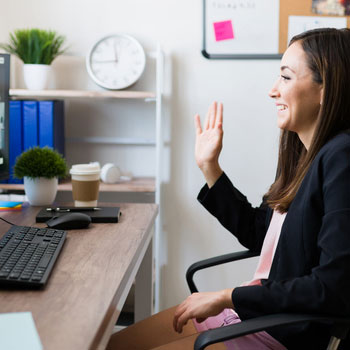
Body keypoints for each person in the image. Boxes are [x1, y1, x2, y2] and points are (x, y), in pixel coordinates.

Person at [107, 27, 350, 350]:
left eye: (286, 77)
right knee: (112, 345)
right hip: (254, 314)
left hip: (282, 330)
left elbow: (332, 288)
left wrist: (227, 297)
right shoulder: (303, 156)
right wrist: (211, 168)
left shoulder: (342, 158)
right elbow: (260, 234)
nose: (273, 91)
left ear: (326, 88)